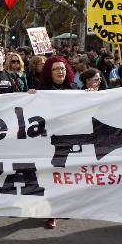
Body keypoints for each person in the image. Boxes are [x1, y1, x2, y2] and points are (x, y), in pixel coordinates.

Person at [35, 55, 76, 230]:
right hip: (49, 140)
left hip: (71, 137)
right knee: (53, 175)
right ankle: (52, 212)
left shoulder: (75, 89)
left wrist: (91, 95)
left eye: (62, 68)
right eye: (55, 69)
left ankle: (63, 206)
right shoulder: (42, 90)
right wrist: (30, 97)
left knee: (68, 175)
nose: (60, 71)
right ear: (49, 73)